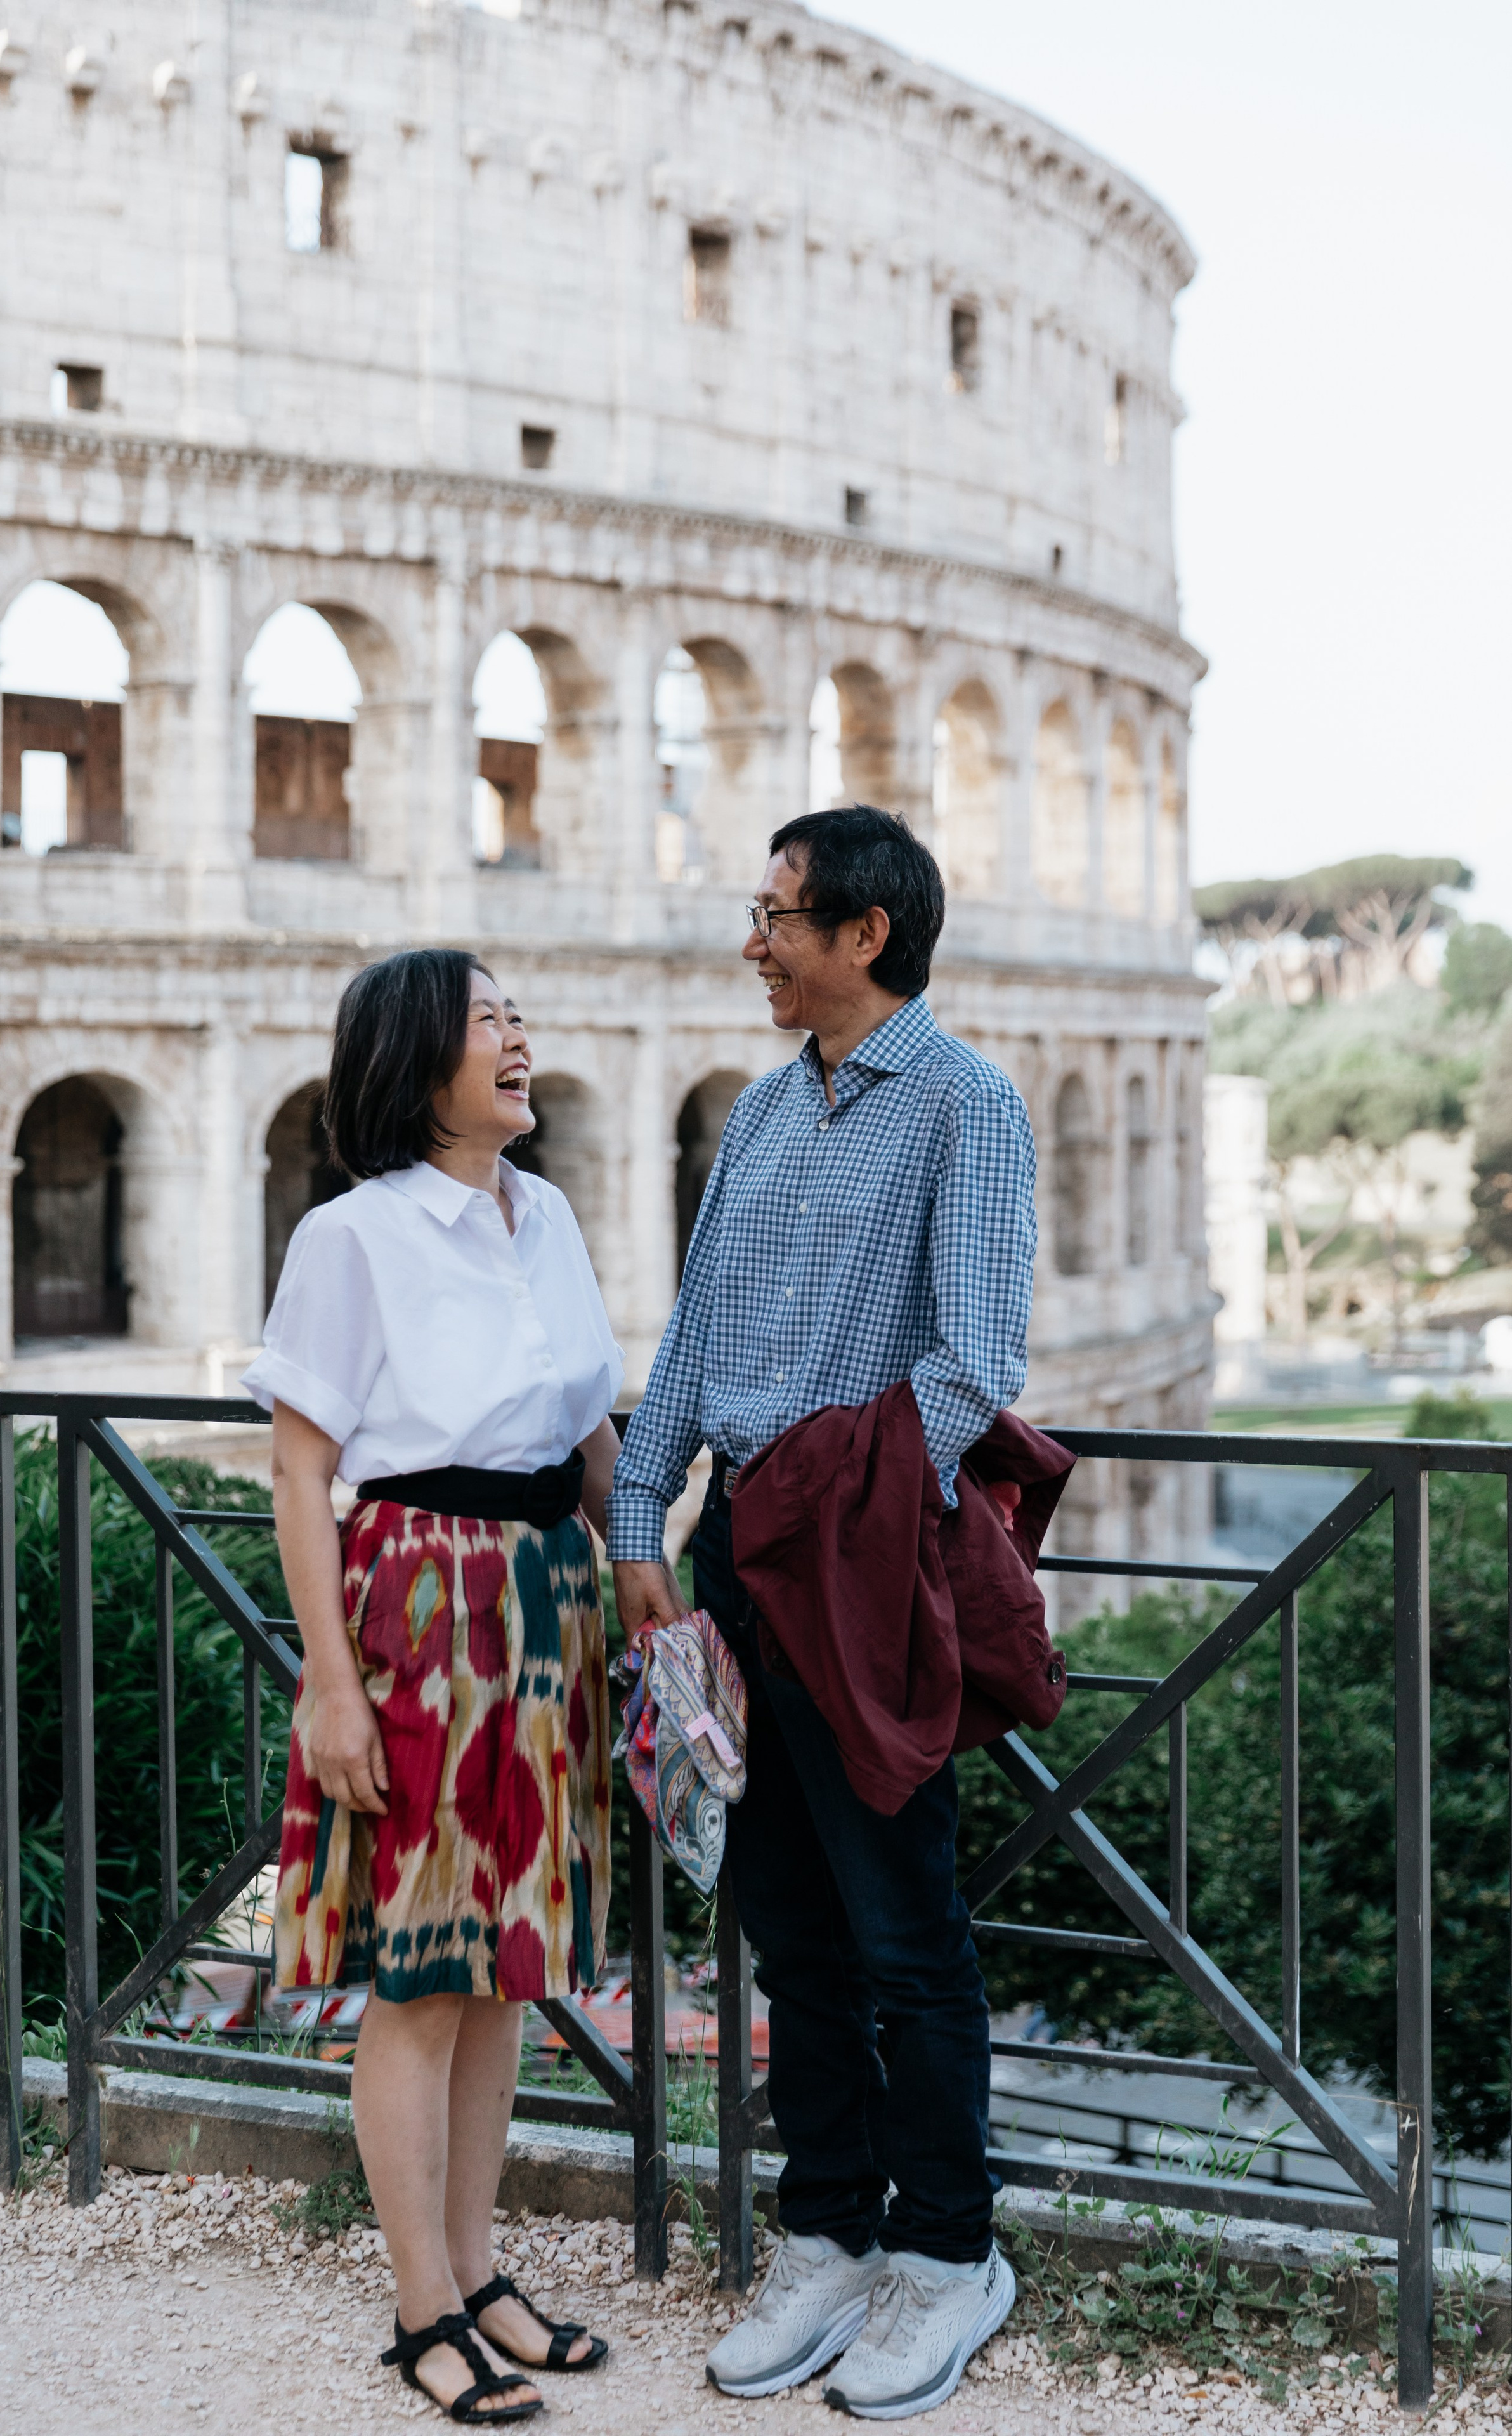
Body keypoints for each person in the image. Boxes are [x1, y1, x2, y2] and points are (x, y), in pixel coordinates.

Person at [608, 807, 1037, 2421]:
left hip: (861, 1567)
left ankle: (946, 2256)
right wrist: (637, 1510)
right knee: (785, 1918)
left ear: (866, 934)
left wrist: (838, 1506)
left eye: (778, 914)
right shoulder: (762, 1116)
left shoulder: (965, 1105)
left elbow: (976, 1357)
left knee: (903, 1932)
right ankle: (830, 2233)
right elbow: (694, 1333)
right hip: (734, 1568)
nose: (753, 938)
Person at [245, 947, 623, 2423]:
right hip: (416, 1596)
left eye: (519, 1014)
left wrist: (645, 1577)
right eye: (489, 1022)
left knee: (502, 1967)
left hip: (547, 1601)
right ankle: (421, 2310)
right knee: (419, 1975)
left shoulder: (553, 1218)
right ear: (420, 1063)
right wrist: (326, 1689)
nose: (519, 1038)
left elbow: (587, 1428)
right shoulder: (351, 1237)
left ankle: (477, 2273)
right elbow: (297, 1469)